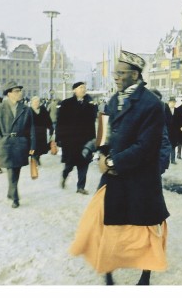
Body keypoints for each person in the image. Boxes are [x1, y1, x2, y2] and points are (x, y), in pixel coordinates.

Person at [70, 50, 170, 286]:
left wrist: (114, 162)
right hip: (114, 177)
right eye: (115, 72)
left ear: (135, 75)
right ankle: (108, 270)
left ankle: (145, 276)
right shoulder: (114, 100)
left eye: (121, 73)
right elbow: (105, 134)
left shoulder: (152, 104)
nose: (115, 77)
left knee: (144, 229)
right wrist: (101, 155)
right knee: (104, 222)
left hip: (140, 178)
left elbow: (146, 146)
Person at [0, 81, 36, 208]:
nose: (19, 93)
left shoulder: (26, 109)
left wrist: (32, 146)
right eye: (16, 91)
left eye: (20, 91)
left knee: (17, 170)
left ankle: (11, 192)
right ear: (9, 93)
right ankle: (15, 197)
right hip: (6, 144)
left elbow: (31, 129)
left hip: (21, 144)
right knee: (11, 171)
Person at [56, 82, 98, 194]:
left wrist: (94, 141)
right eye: (81, 87)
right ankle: (64, 175)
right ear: (74, 90)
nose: (84, 89)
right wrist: (59, 138)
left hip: (85, 140)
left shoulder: (90, 105)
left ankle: (80, 187)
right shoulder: (66, 104)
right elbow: (60, 122)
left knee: (84, 164)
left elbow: (92, 123)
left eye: (85, 87)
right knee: (69, 164)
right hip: (71, 141)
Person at [29, 96, 54, 166]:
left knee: (41, 147)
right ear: (32, 102)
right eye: (35, 102)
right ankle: (33, 157)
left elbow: (48, 119)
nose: (37, 103)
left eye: (38, 102)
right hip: (33, 132)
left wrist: (50, 127)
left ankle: (37, 157)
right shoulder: (29, 110)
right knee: (33, 146)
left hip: (42, 131)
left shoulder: (43, 109)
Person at [165, 96, 182, 164]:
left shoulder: (177, 110)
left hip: (174, 131)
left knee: (173, 145)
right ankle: (166, 160)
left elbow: (181, 120)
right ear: (169, 102)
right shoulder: (165, 110)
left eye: (174, 102)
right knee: (166, 146)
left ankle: (173, 159)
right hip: (167, 131)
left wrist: (181, 126)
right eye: (171, 102)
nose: (173, 104)